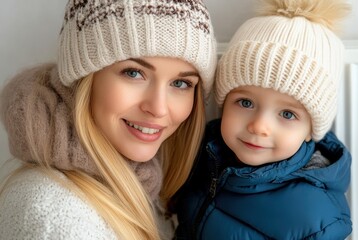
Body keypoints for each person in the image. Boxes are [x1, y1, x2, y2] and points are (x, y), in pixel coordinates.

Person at [0, 0, 217, 239]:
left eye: (181, 83)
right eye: (134, 73)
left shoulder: (143, 183)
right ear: (84, 79)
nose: (158, 108)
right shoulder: (56, 216)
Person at [172, 0, 353, 239]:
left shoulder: (318, 220)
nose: (258, 126)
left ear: (311, 130)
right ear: (224, 103)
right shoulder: (203, 156)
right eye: (245, 103)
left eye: (287, 114)